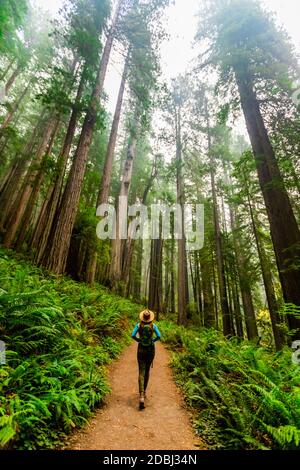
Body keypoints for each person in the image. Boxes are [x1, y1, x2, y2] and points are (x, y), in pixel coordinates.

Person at [131, 309, 161, 409]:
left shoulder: (138, 325)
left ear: (142, 317)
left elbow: (132, 335)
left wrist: (139, 340)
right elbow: (159, 336)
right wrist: (153, 340)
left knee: (141, 372)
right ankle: (145, 392)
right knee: (147, 371)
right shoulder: (153, 326)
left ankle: (141, 396)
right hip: (150, 350)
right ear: (150, 318)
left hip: (141, 350)